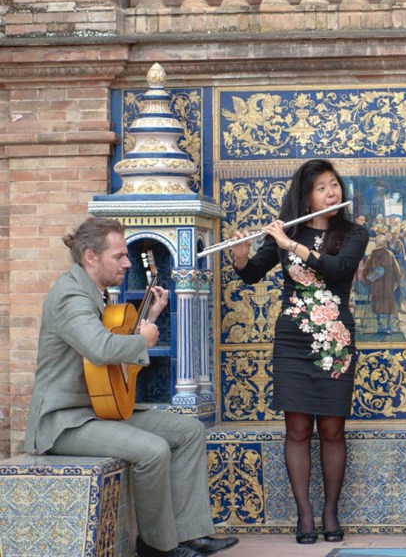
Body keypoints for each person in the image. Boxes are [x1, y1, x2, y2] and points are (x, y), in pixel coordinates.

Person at [25, 217, 238, 557]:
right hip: (65, 421)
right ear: (91, 257)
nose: (127, 262)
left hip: (97, 411)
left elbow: (110, 356)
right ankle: (156, 545)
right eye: (119, 255)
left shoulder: (93, 293)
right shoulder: (70, 295)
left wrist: (150, 318)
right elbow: (101, 349)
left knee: (188, 431)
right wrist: (143, 339)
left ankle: (188, 534)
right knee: (152, 450)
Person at [231, 159, 369, 544]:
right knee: (296, 428)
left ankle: (330, 512)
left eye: (334, 185)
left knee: (332, 428)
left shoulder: (354, 234)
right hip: (293, 339)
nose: (331, 192)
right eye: (322, 187)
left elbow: (338, 269)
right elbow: (252, 273)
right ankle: (304, 516)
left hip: (335, 337)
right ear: (306, 196)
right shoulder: (284, 232)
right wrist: (242, 255)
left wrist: (290, 245)